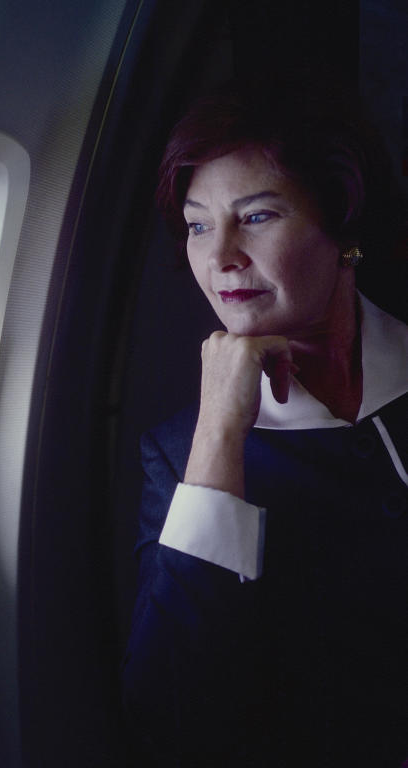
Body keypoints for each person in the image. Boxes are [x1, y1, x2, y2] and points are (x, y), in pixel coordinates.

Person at [122, 84, 408, 768]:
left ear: (343, 229)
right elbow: (168, 716)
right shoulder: (179, 456)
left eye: (255, 216)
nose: (219, 257)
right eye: (197, 224)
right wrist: (220, 431)